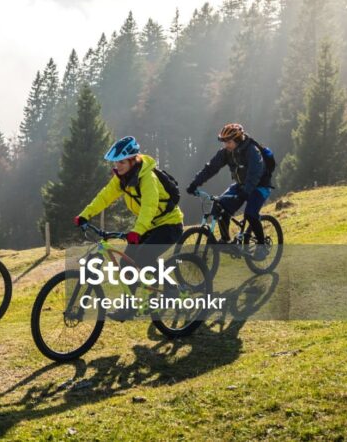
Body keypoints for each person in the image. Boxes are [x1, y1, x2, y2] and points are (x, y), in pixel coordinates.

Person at [74, 136, 184, 320]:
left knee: (144, 257)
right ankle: (129, 307)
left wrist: (137, 231)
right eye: (116, 162)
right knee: (127, 263)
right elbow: (105, 196)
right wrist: (85, 214)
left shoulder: (147, 178)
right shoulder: (122, 179)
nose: (118, 166)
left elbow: (150, 205)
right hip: (148, 226)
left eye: (122, 161)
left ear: (134, 160)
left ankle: (172, 290)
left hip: (169, 224)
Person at [186, 123, 273, 255]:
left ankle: (262, 246)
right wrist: (195, 183)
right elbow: (211, 168)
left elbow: (255, 173)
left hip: (260, 186)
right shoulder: (226, 152)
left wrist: (246, 192)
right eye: (224, 142)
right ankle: (226, 240)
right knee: (219, 207)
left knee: (250, 214)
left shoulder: (252, 151)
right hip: (241, 185)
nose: (225, 145)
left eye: (228, 142)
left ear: (238, 140)